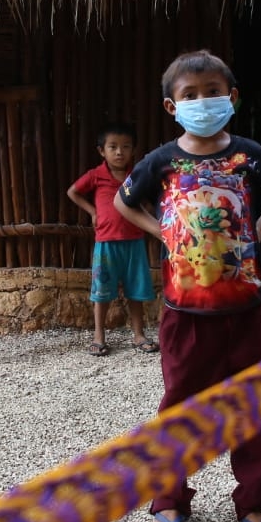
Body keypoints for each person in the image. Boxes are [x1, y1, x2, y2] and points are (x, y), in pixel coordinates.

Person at [114, 49, 261, 522]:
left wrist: (257, 229)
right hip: (185, 314)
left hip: (248, 311)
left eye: (212, 91)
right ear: (172, 107)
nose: (203, 101)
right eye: (190, 95)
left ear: (232, 98)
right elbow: (124, 203)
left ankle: (254, 502)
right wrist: (163, 235)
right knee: (179, 409)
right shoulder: (161, 161)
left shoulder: (249, 154)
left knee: (254, 407)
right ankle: (170, 498)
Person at [67, 121, 159, 357]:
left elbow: (152, 195)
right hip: (106, 243)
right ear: (101, 151)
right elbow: (73, 192)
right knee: (102, 291)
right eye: (113, 147)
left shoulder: (137, 175)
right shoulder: (96, 176)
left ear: (133, 150)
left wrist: (145, 212)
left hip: (134, 242)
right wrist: (93, 212)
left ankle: (139, 334)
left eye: (126, 147)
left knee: (136, 291)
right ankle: (99, 335)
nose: (120, 152)